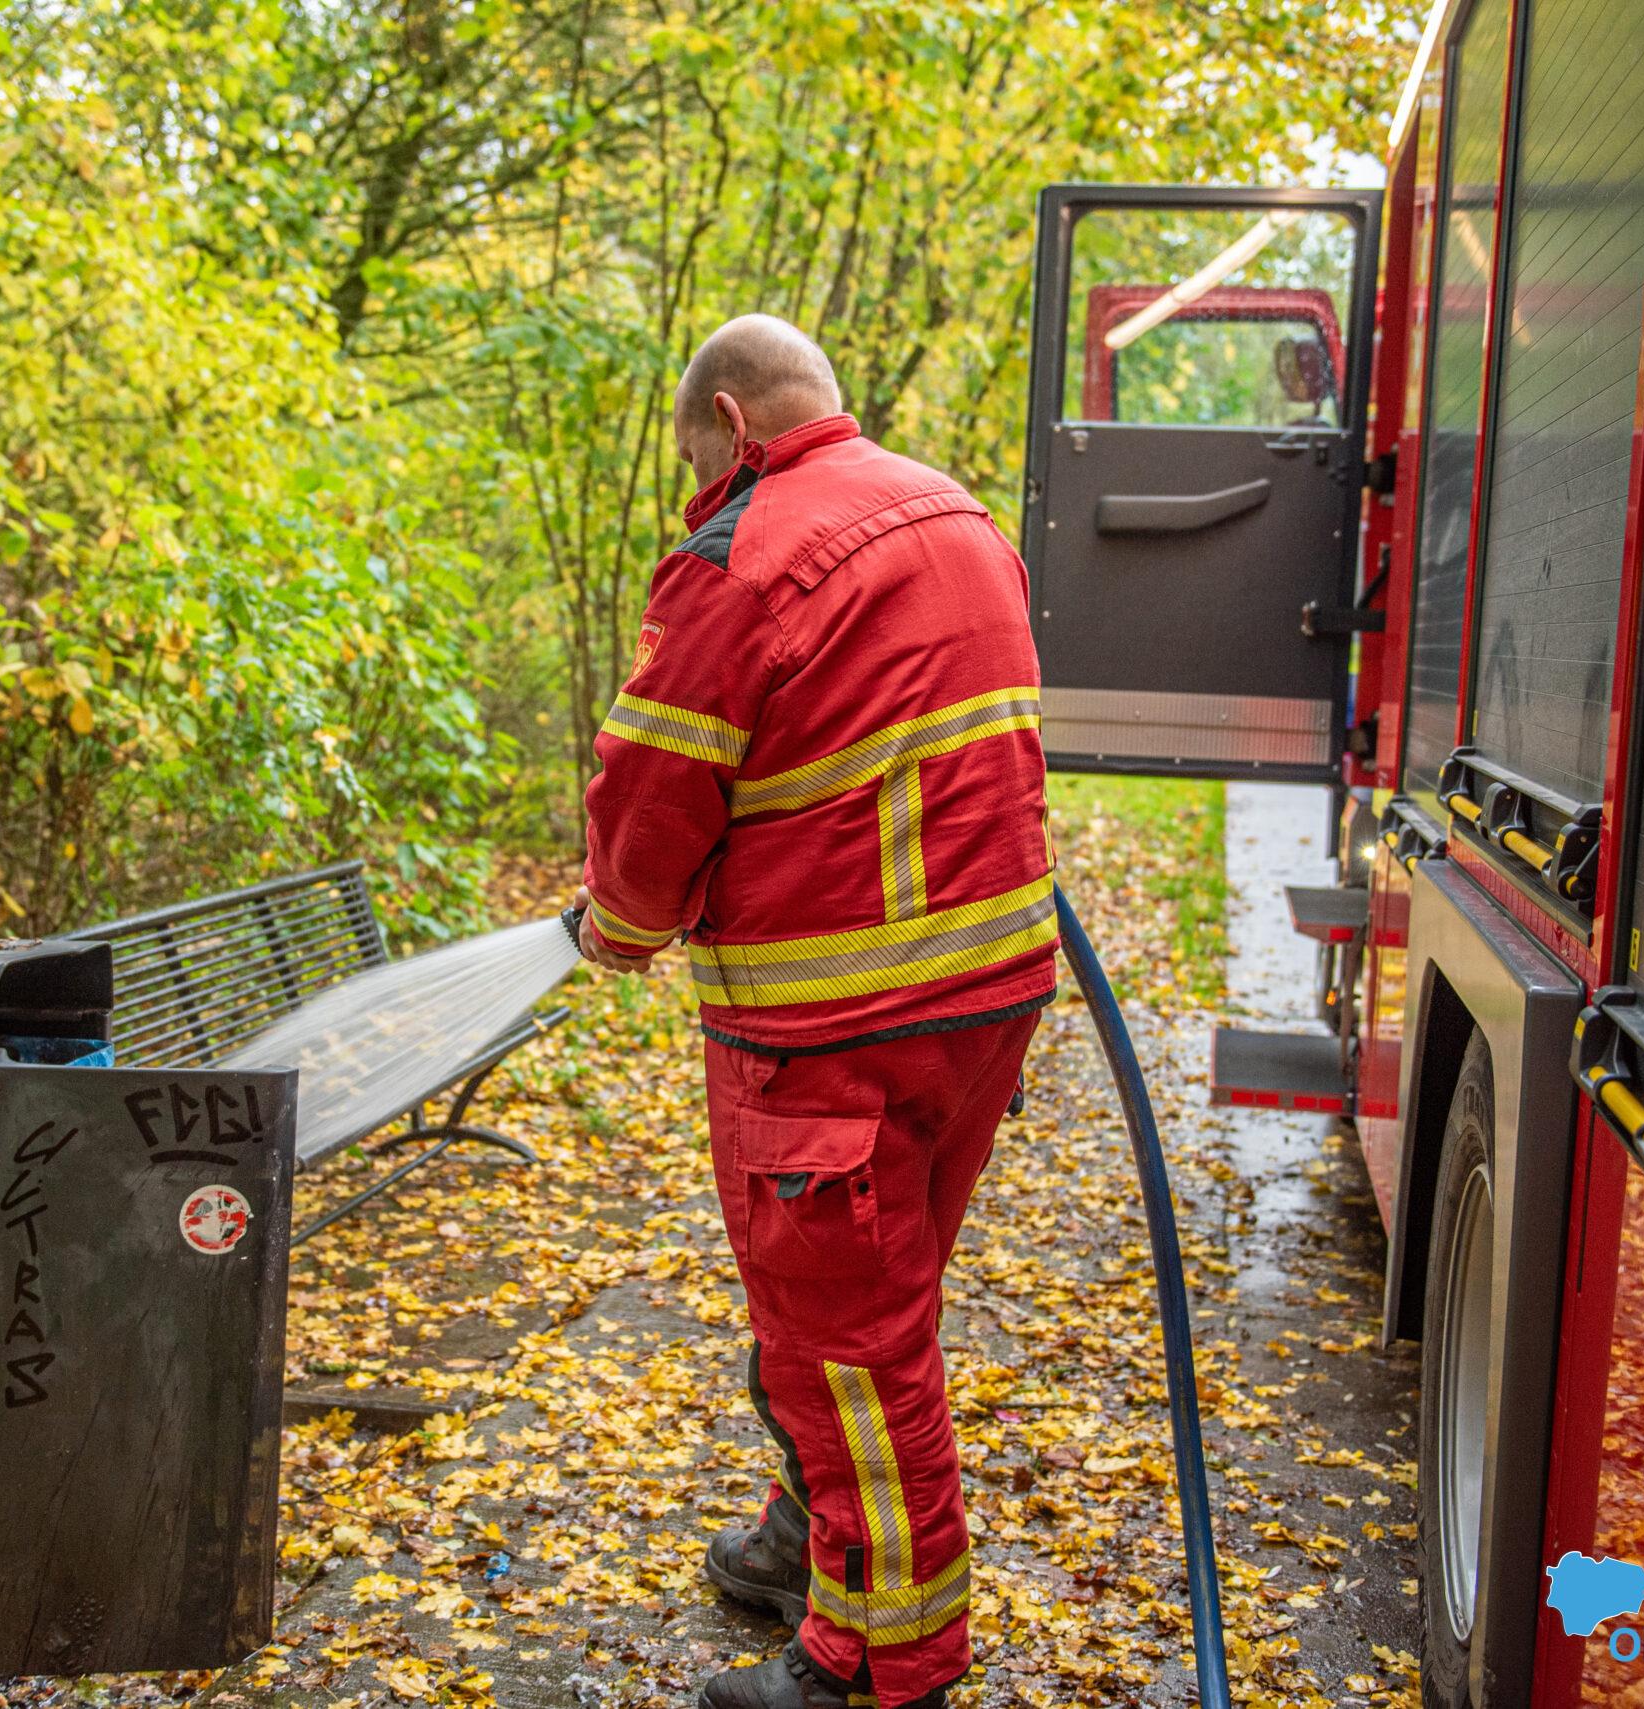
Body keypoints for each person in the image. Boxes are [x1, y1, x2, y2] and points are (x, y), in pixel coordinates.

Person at [571, 315, 1058, 1709]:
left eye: (694, 459)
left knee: (850, 1344)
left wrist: (619, 924)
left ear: (731, 420)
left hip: (834, 1029)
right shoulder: (956, 516)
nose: (696, 489)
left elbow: (653, 791)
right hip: (984, 1007)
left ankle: (878, 1662)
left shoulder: (751, 551)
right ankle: (813, 1544)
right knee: (863, 1303)